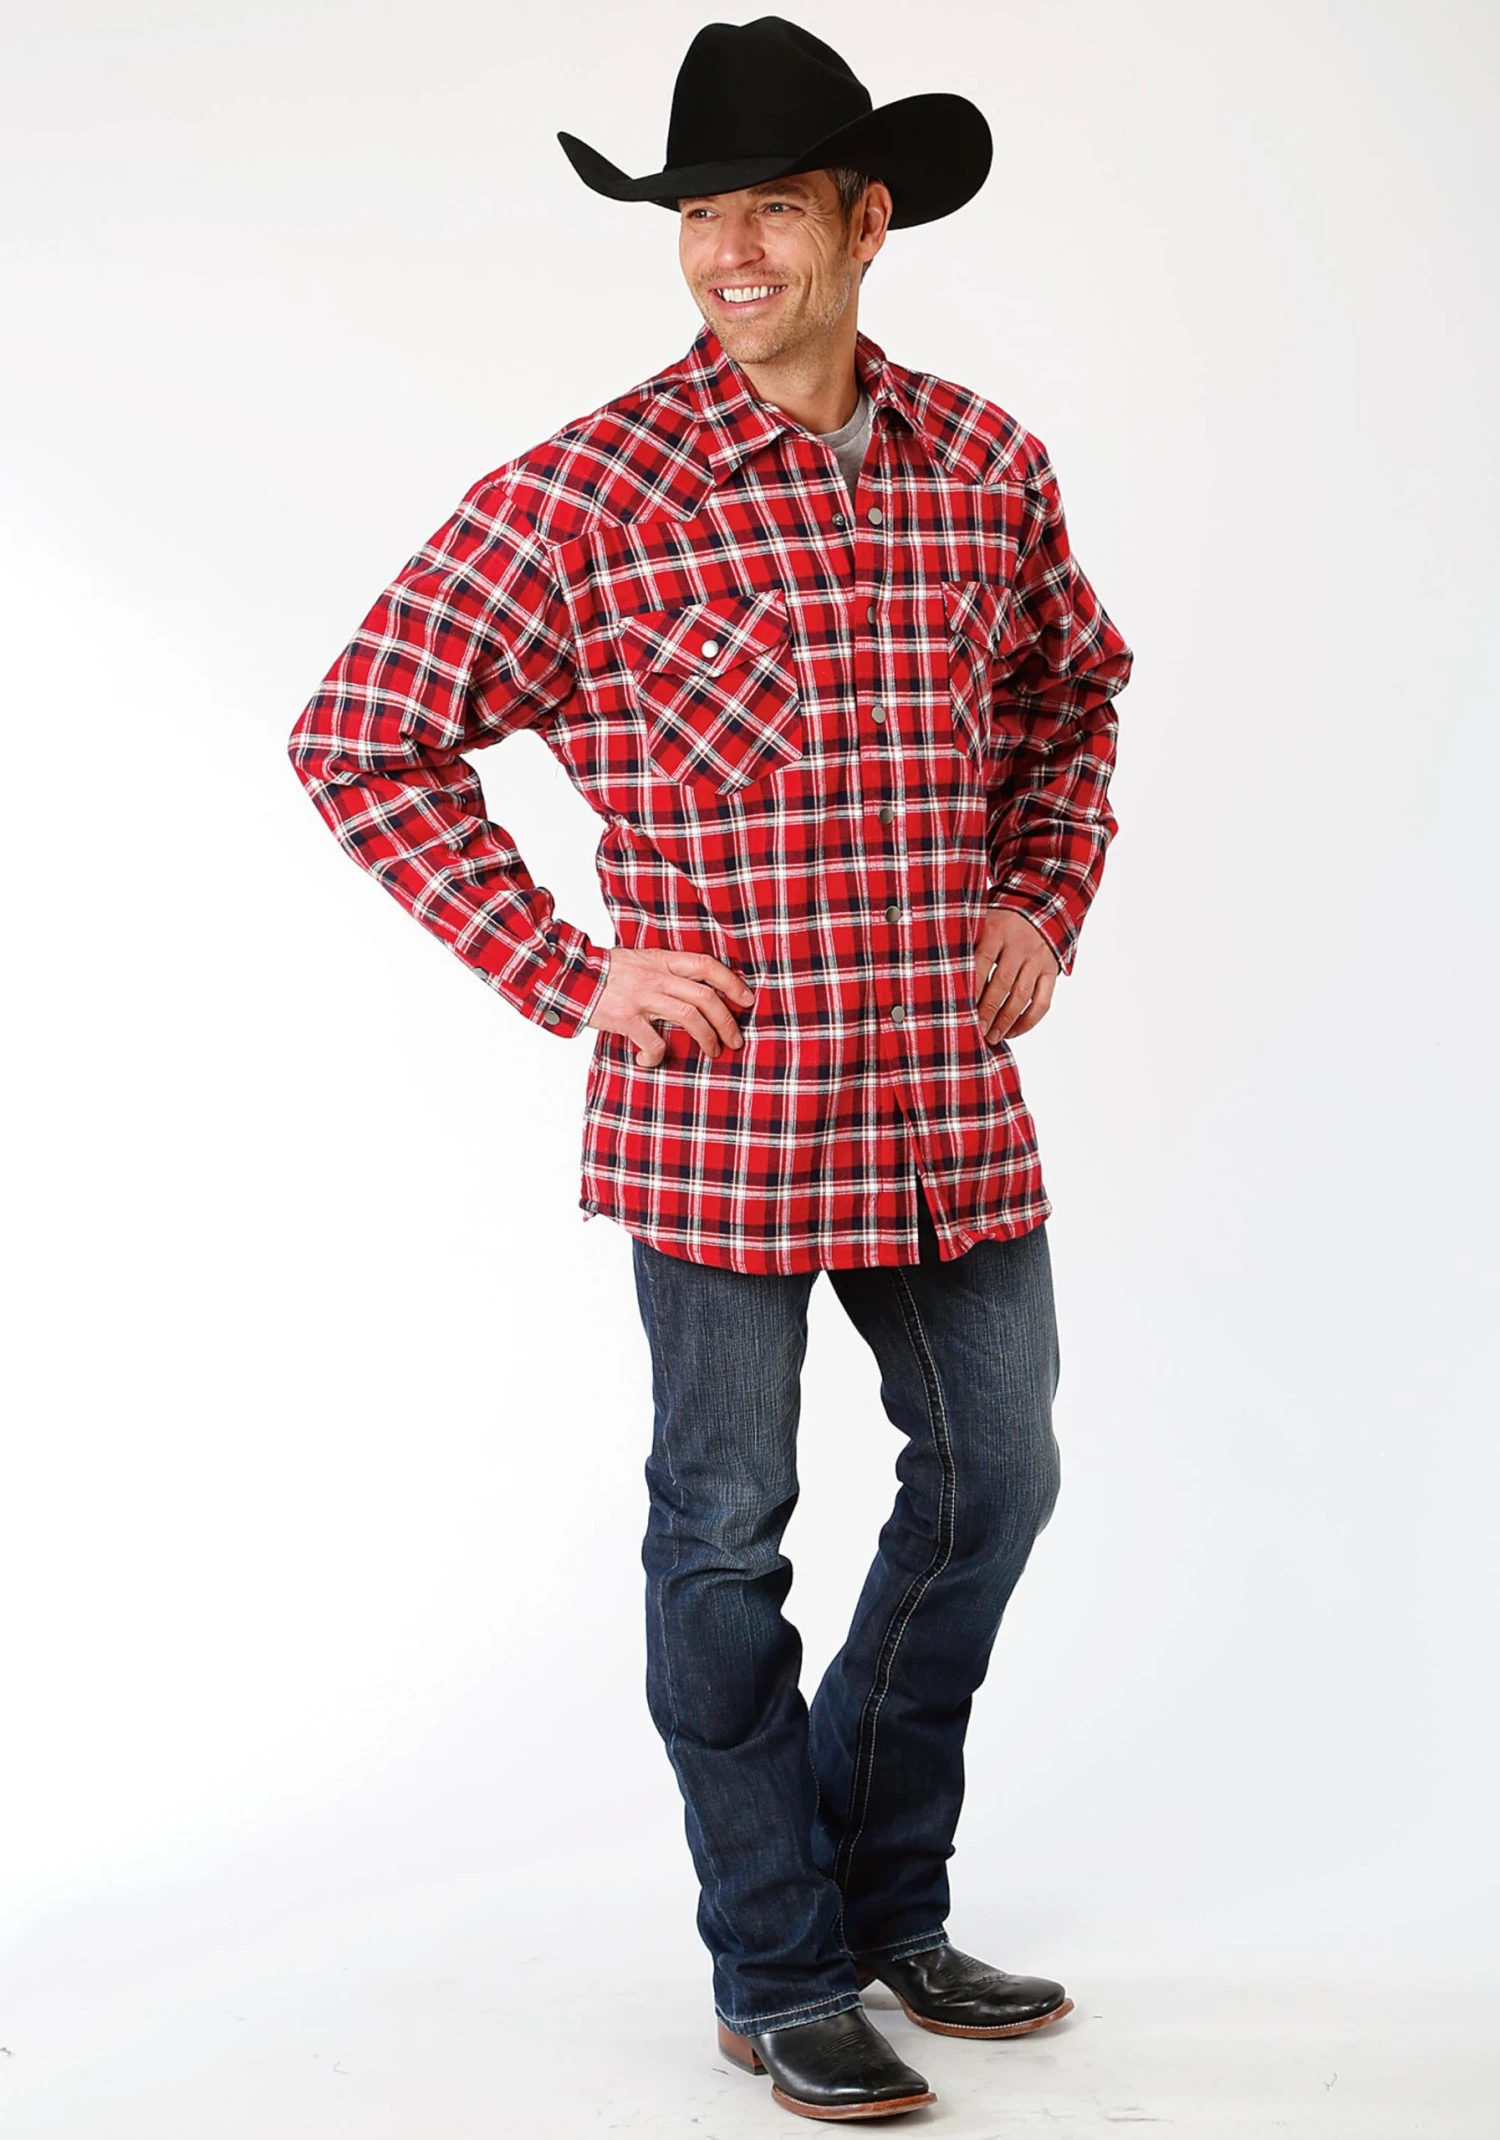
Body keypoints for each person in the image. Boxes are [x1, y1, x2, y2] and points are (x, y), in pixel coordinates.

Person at [288, 14, 1134, 2122]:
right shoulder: (584, 493)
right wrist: (567, 966)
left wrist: (1044, 897)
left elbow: (1075, 698)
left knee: (1001, 1476)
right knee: (726, 1535)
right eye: (696, 215)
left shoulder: (988, 463)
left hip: (943, 1093)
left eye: (770, 206)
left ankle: (880, 1900)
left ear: (867, 219)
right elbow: (359, 735)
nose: (730, 250)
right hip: (726, 1117)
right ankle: (777, 1958)